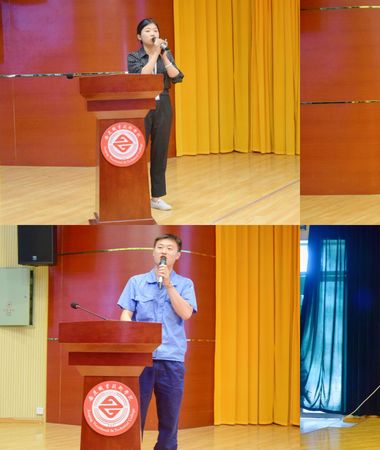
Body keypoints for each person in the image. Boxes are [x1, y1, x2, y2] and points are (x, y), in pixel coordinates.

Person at [118, 233, 197, 450]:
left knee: (170, 417)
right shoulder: (136, 282)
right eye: (160, 247)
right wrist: (129, 332)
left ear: (177, 255)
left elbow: (186, 313)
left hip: (171, 359)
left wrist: (170, 285)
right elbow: (126, 314)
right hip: (141, 359)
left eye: (169, 248)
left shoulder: (185, 284)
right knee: (134, 413)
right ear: (153, 252)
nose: (164, 251)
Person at [128, 18, 184, 211]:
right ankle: (135, 194)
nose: (153, 33)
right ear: (139, 36)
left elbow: (177, 77)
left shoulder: (165, 53)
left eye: (155, 30)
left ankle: (156, 197)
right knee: (138, 150)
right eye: (148, 30)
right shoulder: (134, 57)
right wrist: (154, 54)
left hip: (163, 102)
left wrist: (164, 56)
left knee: (160, 151)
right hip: (142, 103)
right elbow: (142, 77)